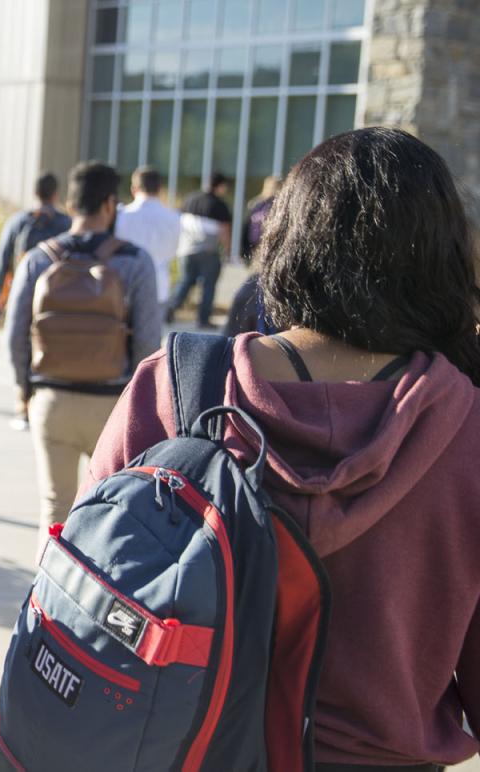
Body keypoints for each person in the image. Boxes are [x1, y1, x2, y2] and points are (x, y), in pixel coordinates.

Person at [86, 127, 480, 771]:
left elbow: (85, 574)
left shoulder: (176, 384)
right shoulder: (466, 429)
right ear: (440, 260)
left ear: (287, 240)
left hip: (178, 748)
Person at [6, 161, 161, 532]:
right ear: (109, 204)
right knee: (111, 512)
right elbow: (147, 342)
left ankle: (47, 589)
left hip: (51, 400)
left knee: (54, 509)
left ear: (72, 203)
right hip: (111, 406)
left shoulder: (38, 258)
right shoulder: (135, 262)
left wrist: (25, 389)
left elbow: (15, 336)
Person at [0, 172, 70, 312]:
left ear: (35, 193)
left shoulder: (18, 221)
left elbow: (2, 256)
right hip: (57, 293)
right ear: (56, 194)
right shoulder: (66, 223)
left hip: (22, 289)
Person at [166, 172, 233, 328]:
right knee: (208, 285)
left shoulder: (190, 199)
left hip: (186, 250)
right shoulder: (219, 204)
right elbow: (224, 230)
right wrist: (228, 250)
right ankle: (203, 320)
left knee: (185, 281)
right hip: (209, 251)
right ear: (220, 186)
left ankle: (170, 309)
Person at [112, 166, 181, 305]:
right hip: (159, 286)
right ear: (160, 188)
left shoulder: (119, 216)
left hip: (124, 285)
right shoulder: (175, 218)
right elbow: (174, 251)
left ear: (134, 188)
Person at [241, 174, 282, 262]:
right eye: (270, 187)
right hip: (255, 247)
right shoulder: (257, 204)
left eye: (275, 187)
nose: (272, 190)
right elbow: (247, 226)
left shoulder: (281, 205)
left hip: (271, 247)